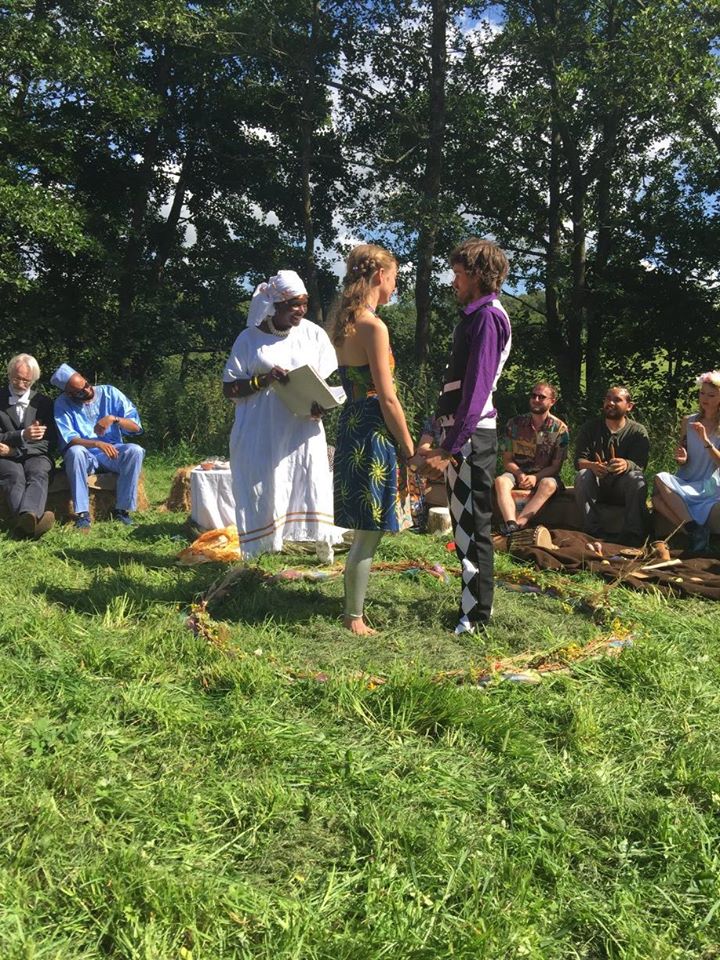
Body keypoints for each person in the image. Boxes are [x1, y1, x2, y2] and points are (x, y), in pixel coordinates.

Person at [417, 238, 512, 635]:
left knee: (473, 527)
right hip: (461, 437)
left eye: (458, 273)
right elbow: (455, 389)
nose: (453, 281)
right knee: (462, 527)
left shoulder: (488, 318)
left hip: (472, 440)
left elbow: (476, 392)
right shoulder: (472, 317)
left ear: (477, 274)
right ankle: (470, 606)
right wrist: (432, 432)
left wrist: (449, 447)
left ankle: (475, 618)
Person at [222, 270, 339, 559]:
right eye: (294, 305)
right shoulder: (249, 339)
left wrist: (321, 403)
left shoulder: (313, 335)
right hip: (261, 426)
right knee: (262, 480)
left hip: (302, 426)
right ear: (275, 305)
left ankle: (318, 545)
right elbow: (229, 388)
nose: (301, 311)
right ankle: (259, 551)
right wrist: (263, 380)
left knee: (308, 477)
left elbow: (326, 381)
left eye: (304, 303)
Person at [330, 244, 415, 635]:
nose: (395, 286)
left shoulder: (341, 321)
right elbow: (389, 397)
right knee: (369, 531)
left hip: (350, 425)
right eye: (395, 277)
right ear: (380, 276)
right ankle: (354, 618)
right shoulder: (373, 326)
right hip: (373, 430)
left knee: (366, 529)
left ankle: (352, 609)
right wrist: (410, 447)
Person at [52, 364, 145, 529]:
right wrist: (96, 443)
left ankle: (122, 510)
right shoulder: (61, 404)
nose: (87, 391)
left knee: (135, 451)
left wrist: (114, 419)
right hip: (85, 456)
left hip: (111, 453)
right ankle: (83, 514)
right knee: (75, 452)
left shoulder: (110, 392)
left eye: (86, 385)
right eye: (80, 392)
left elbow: (136, 427)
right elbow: (69, 439)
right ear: (69, 394)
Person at [653, 370, 720, 554]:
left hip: (708, 484)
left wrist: (706, 441)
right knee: (658, 488)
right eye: (702, 393)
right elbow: (684, 453)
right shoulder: (688, 421)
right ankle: (694, 531)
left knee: (659, 498)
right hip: (686, 479)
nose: (704, 398)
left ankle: (695, 533)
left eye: (711, 395)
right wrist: (682, 458)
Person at [573, 386, 650, 546]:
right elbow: (579, 461)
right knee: (582, 475)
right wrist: (593, 466)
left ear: (629, 406)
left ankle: (633, 534)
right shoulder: (590, 428)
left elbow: (640, 464)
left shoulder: (637, 431)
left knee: (637, 478)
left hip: (622, 488)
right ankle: (592, 531)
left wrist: (626, 464)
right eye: (608, 399)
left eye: (617, 400)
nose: (611, 403)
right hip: (597, 486)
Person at [494, 382, 569, 534]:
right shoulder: (513, 424)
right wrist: (520, 474)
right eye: (533, 395)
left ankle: (521, 523)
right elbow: (507, 460)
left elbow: (556, 466)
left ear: (552, 401)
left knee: (548, 484)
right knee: (500, 481)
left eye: (541, 397)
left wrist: (535, 477)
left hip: (544, 475)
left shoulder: (561, 429)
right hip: (517, 473)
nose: (536, 399)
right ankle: (511, 523)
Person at [0, 353, 56, 538]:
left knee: (38, 472)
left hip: (35, 454)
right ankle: (31, 524)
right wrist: (22, 434)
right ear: (9, 374)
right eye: (17, 378)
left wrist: (16, 450)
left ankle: (26, 520)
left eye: (27, 381)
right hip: (3, 455)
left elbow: (50, 441)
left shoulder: (45, 403)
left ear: (34, 379)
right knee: (14, 476)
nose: (21, 384)